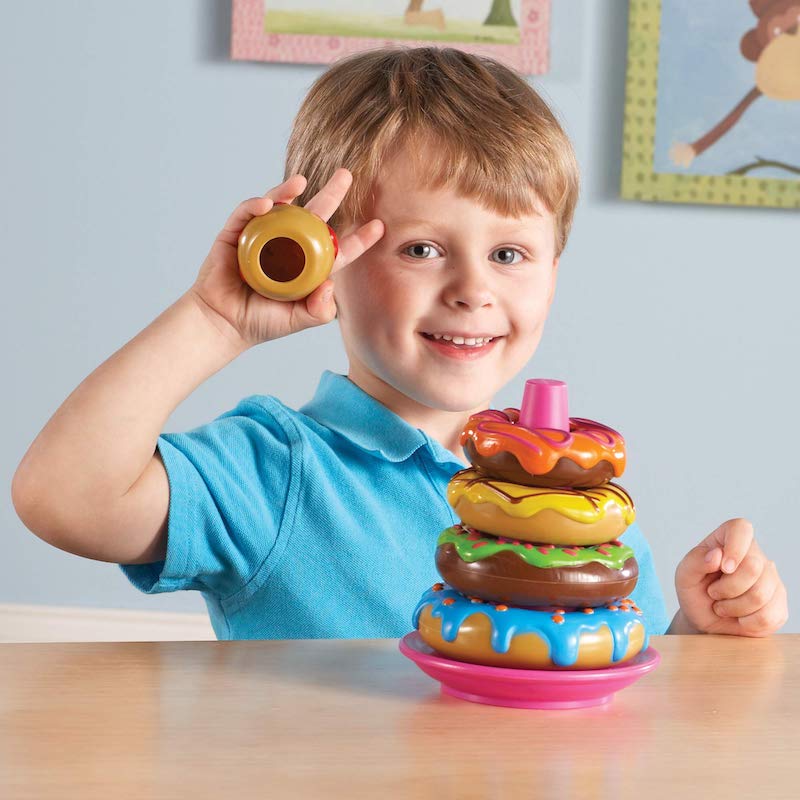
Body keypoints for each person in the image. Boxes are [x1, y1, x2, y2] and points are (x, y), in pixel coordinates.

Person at [12, 47, 787, 641]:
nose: (472, 289)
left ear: (555, 268)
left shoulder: (576, 496)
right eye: (421, 249)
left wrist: (695, 632)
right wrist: (213, 323)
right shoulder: (277, 471)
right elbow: (64, 498)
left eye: (509, 254)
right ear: (327, 258)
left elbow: (622, 687)